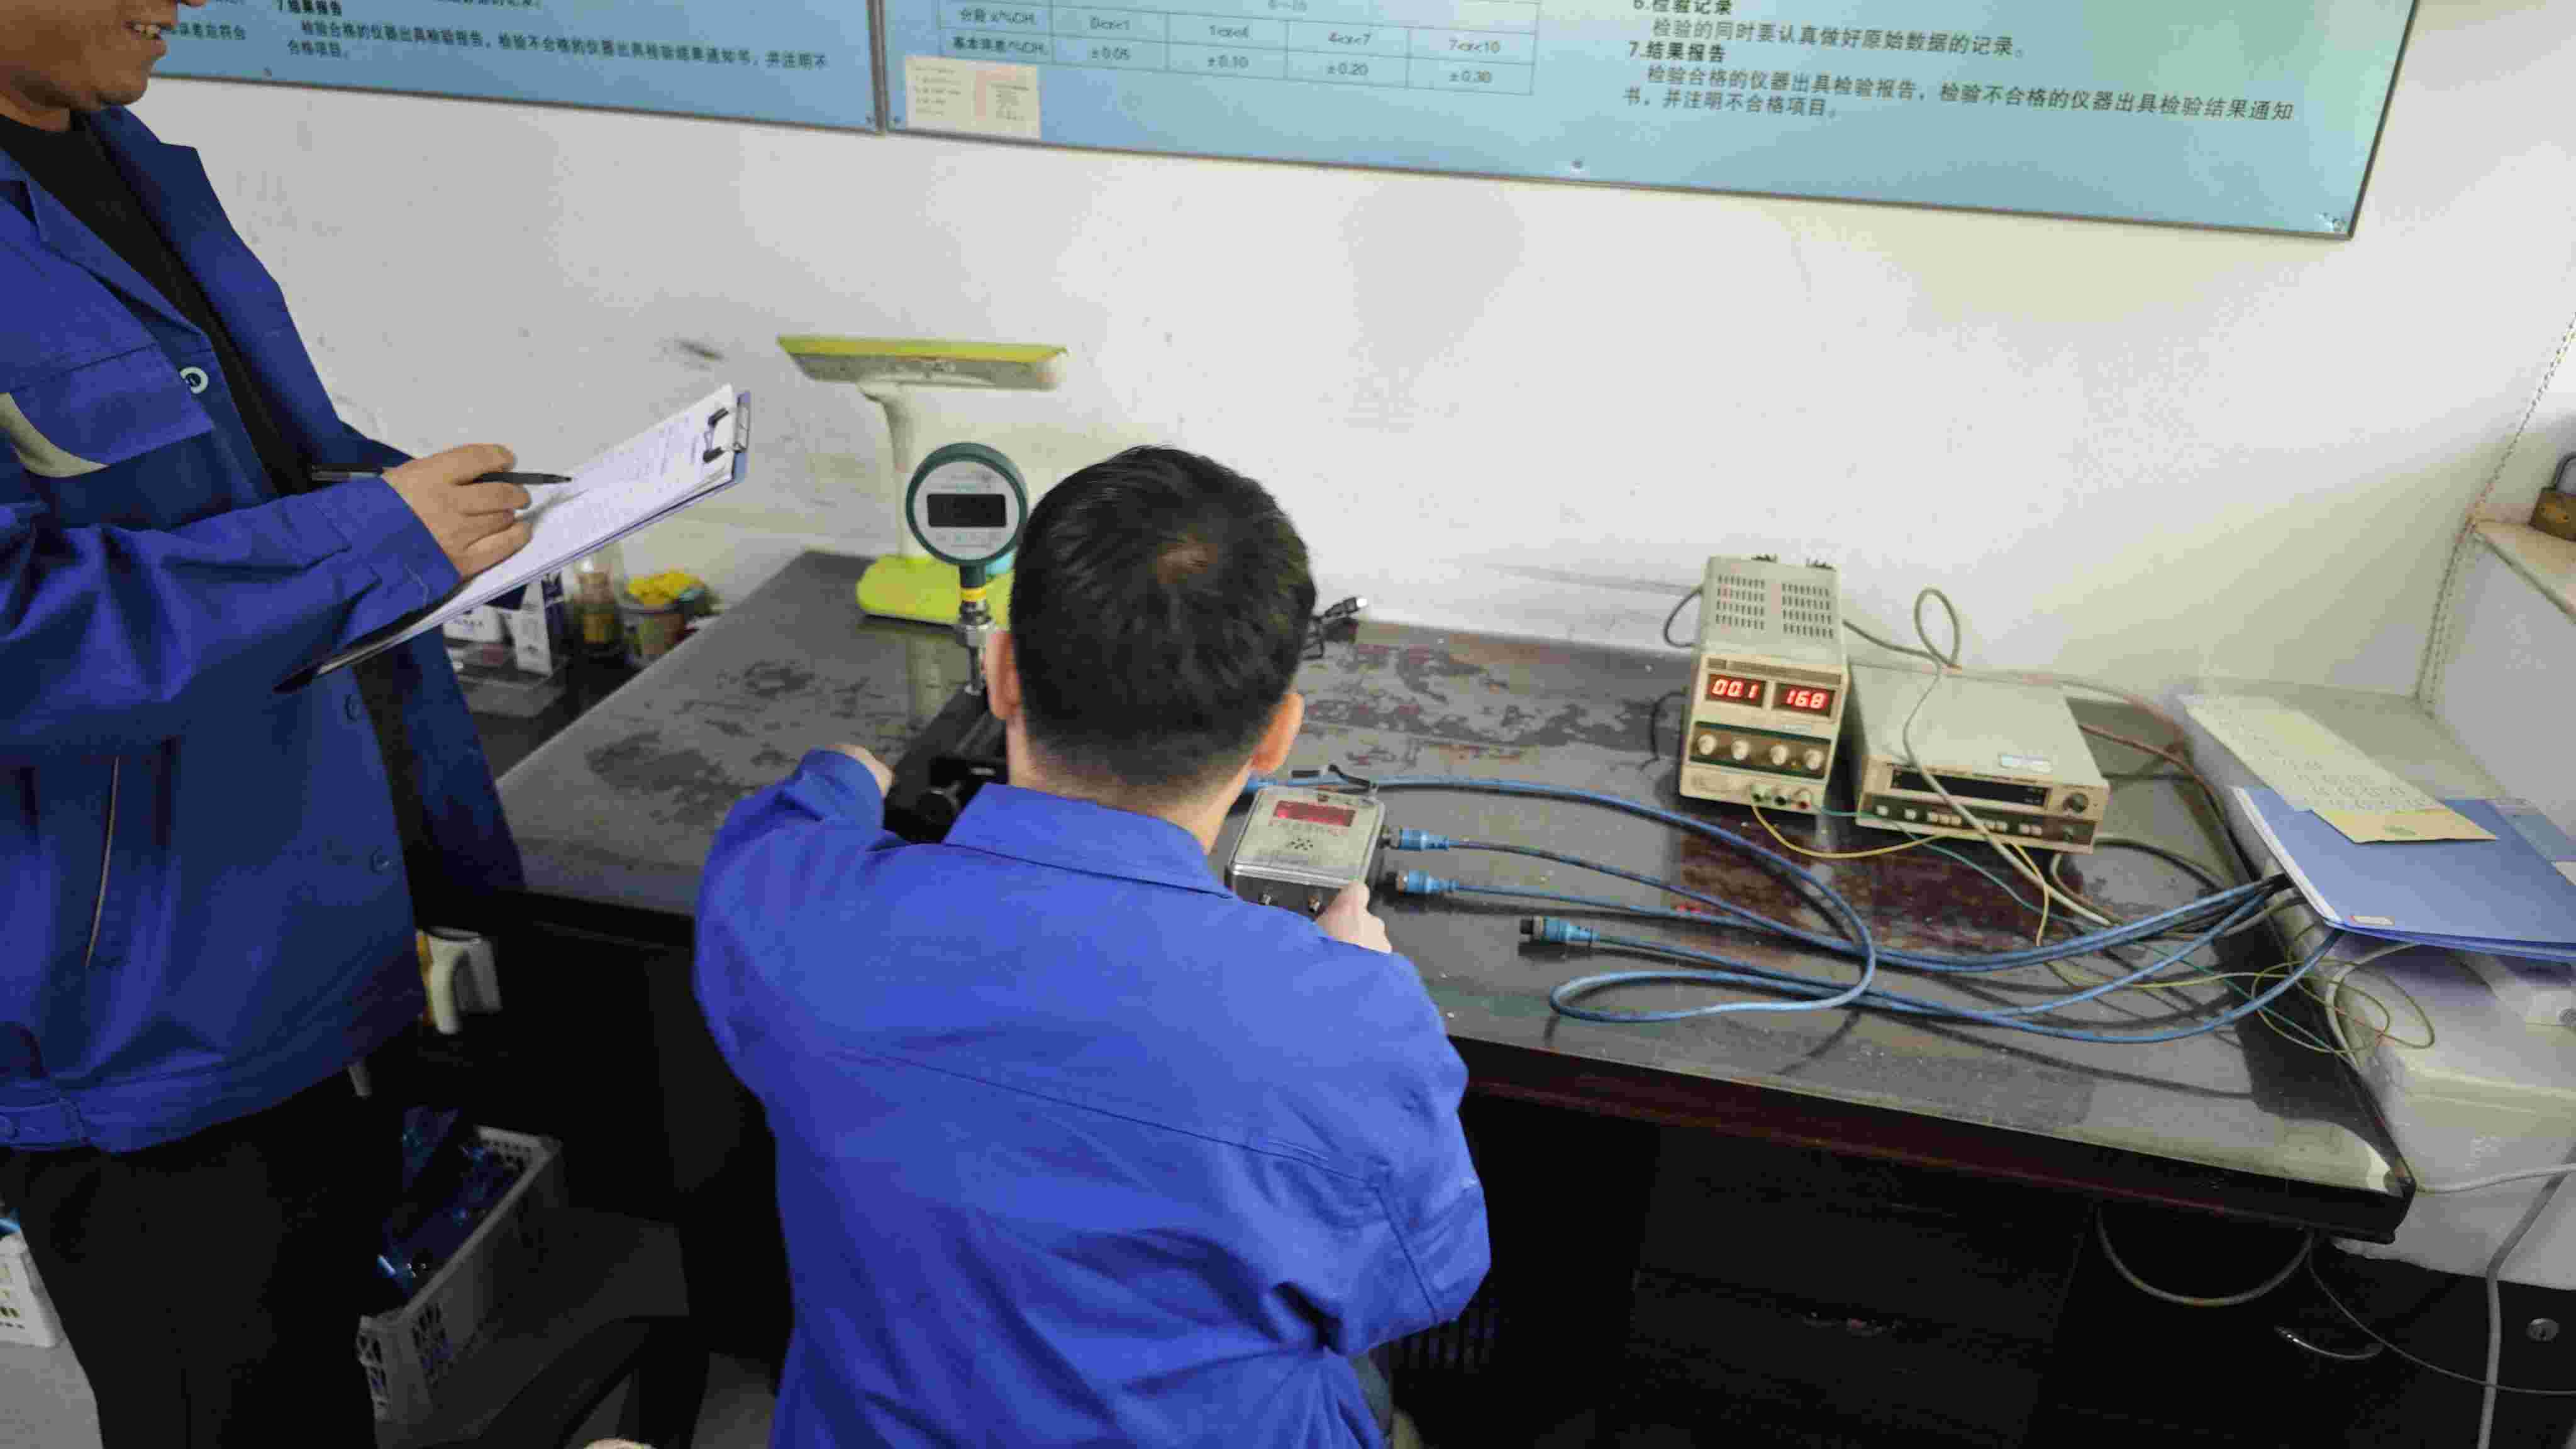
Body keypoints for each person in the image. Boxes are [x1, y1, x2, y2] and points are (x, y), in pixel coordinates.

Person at [697, 447, 1490, 1446]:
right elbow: (1419, 1287)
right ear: (1277, 735)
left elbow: (782, 829)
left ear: (1002, 674)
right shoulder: (1352, 1028)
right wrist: (1357, 983)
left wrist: (845, 776)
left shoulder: (799, 915)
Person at [1, 3, 536, 1441]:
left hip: (297, 920)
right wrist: (367, 542)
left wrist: (422, 506)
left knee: (309, 1376)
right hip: (131, 1019)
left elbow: (229, 481)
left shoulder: (122, 160)